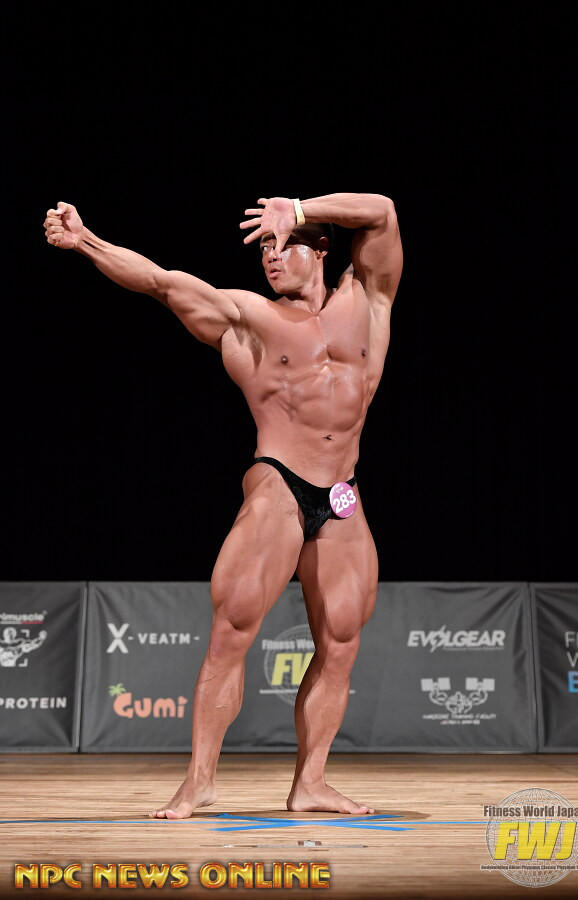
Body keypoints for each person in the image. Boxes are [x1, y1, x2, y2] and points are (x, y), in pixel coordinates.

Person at [43, 193, 403, 818]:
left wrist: (297, 208)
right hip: (280, 481)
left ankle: (311, 784)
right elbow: (160, 282)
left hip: (343, 492)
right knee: (232, 628)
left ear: (320, 248)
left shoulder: (368, 298)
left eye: (280, 244)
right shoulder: (248, 318)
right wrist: (86, 242)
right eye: (262, 249)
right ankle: (199, 781)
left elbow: (384, 212)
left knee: (342, 640)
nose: (269, 257)